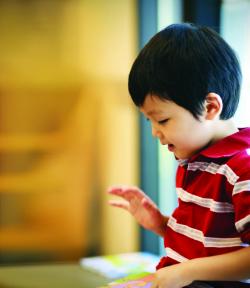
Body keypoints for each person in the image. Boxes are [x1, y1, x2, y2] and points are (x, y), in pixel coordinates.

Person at [108, 23, 250, 288]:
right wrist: (161, 224)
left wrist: (185, 272)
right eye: (149, 121)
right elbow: (207, 243)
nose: (155, 133)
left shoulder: (241, 169)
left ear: (209, 107)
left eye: (162, 119)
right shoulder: (195, 160)